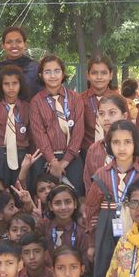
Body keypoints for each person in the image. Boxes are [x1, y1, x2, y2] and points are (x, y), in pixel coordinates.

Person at [83, 120, 139, 277]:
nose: (122, 148)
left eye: (127, 142)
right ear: (109, 145)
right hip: (106, 226)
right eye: (116, 142)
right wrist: (92, 242)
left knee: (134, 270)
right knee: (106, 271)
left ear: (135, 144)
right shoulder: (101, 174)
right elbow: (91, 210)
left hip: (136, 227)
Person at [28, 54, 87, 194]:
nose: (53, 76)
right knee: (47, 198)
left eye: (57, 71)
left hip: (72, 158)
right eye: (47, 72)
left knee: (74, 196)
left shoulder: (75, 98)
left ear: (63, 73)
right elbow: (39, 134)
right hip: (45, 159)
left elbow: (78, 132)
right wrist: (53, 162)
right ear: (41, 75)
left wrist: (64, 162)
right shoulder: (36, 101)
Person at [0, 64, 34, 189]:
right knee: (0, 193)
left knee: (21, 191)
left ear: (21, 84)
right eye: (6, 84)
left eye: (15, 83)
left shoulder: (28, 108)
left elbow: (33, 138)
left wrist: (31, 162)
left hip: (21, 155)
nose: (11, 87)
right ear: (1, 86)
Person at [0, 26, 41, 98]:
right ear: (3, 46)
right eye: (9, 42)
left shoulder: (35, 69)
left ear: (25, 44)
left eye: (18, 41)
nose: (14, 45)